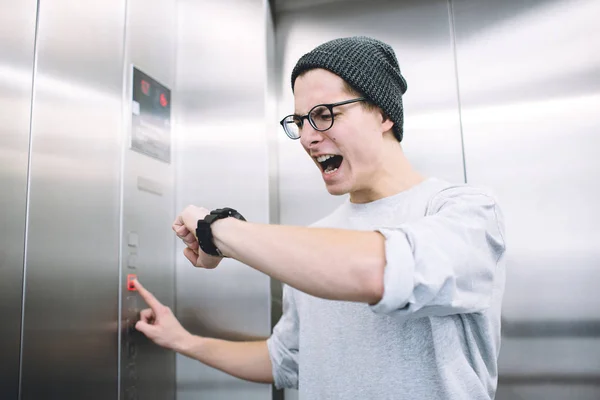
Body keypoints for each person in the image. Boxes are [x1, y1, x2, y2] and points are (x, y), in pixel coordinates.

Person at [132, 36, 507, 399]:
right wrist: (182, 340)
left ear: (383, 114)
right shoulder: (316, 240)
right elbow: (286, 359)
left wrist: (218, 230)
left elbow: (379, 269)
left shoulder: (466, 213)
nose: (309, 138)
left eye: (324, 115)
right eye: (300, 122)